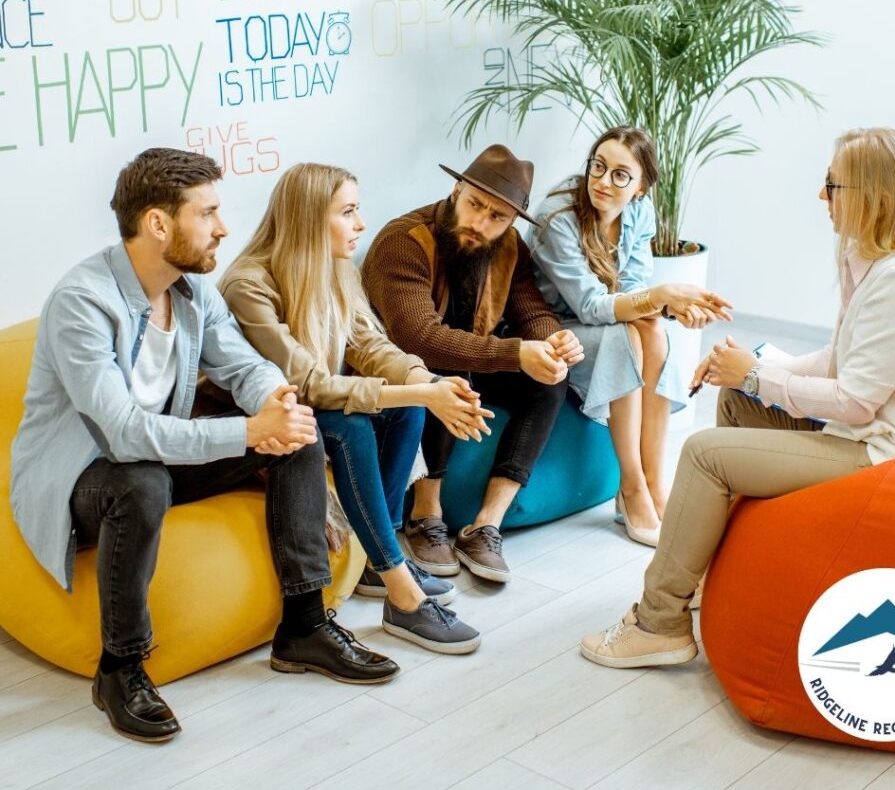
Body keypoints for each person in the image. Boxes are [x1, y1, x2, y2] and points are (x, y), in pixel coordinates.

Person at [9, 149, 399, 745]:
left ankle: (304, 626)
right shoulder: (81, 303)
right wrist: (248, 431)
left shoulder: (193, 292)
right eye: (208, 213)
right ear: (159, 224)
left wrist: (278, 404)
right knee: (142, 481)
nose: (223, 228)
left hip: (154, 453)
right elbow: (123, 434)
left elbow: (243, 366)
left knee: (296, 435)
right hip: (80, 476)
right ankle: (120, 668)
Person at [579, 127, 895, 668]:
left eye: (832, 186)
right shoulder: (876, 260)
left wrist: (755, 375)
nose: (822, 198)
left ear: (876, 198)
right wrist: (748, 371)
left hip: (889, 456)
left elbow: (856, 401)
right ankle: (700, 576)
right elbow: (839, 361)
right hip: (871, 432)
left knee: (702, 454)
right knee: (739, 404)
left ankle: (659, 621)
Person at [220, 163, 489, 654]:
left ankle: (375, 561)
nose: (360, 224)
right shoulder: (248, 285)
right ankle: (402, 596)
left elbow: (371, 347)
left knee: (406, 410)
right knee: (349, 426)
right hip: (256, 426)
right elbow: (309, 386)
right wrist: (421, 392)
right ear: (307, 219)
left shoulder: (337, 270)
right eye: (347, 212)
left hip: (309, 411)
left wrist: (428, 383)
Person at [361, 145, 584, 584]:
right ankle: (425, 514)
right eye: (475, 205)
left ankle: (486, 524)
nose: (481, 223)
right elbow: (417, 336)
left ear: (512, 222)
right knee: (444, 369)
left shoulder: (507, 247)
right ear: (456, 189)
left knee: (549, 380)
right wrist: (514, 352)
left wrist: (552, 342)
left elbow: (531, 310)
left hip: (467, 358)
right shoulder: (403, 241)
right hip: (401, 376)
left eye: (497, 217)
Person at [528, 126, 733, 546]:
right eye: (598, 167)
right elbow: (587, 306)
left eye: (621, 175)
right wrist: (659, 298)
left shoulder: (639, 213)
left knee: (655, 331)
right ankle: (633, 485)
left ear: (640, 188)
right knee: (629, 335)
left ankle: (654, 479)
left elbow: (634, 286)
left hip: (612, 319)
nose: (604, 182)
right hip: (560, 328)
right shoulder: (557, 219)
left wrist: (670, 306)